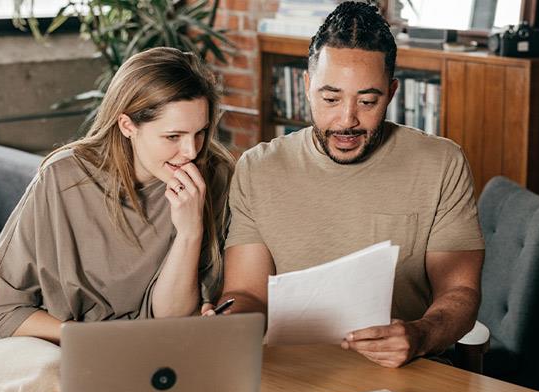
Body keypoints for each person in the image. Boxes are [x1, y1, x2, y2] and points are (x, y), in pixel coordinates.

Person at [204, 2, 485, 369]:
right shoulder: (258, 168)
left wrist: (421, 334)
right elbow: (247, 293)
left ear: (392, 92)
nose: (347, 119)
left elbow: (460, 292)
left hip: (407, 367)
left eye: (368, 100)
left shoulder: (441, 163)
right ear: (307, 87)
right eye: (331, 98)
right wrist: (230, 323)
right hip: (294, 370)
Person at [0, 47, 235, 392]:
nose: (190, 151)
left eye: (200, 132)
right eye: (173, 136)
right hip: (42, 350)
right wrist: (95, 341)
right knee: (66, 379)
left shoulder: (213, 174)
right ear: (128, 126)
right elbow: (4, 311)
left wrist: (189, 231)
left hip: (147, 353)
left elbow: (172, 319)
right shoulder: (63, 177)